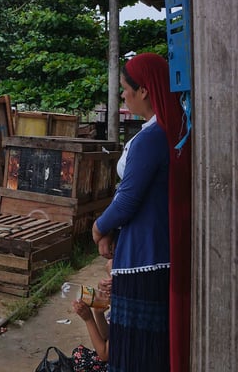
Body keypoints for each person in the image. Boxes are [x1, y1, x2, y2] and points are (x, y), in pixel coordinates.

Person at [91, 53, 187, 371]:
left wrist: (99, 227)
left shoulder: (152, 137)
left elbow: (128, 200)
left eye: (125, 88)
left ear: (143, 90)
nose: (123, 95)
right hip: (155, 251)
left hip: (144, 260)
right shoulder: (169, 130)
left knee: (135, 349)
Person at [71, 260, 112, 372]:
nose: (106, 288)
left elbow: (105, 354)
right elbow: (107, 336)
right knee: (78, 353)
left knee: (82, 361)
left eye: (111, 282)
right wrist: (98, 313)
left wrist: (89, 319)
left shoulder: (126, 312)